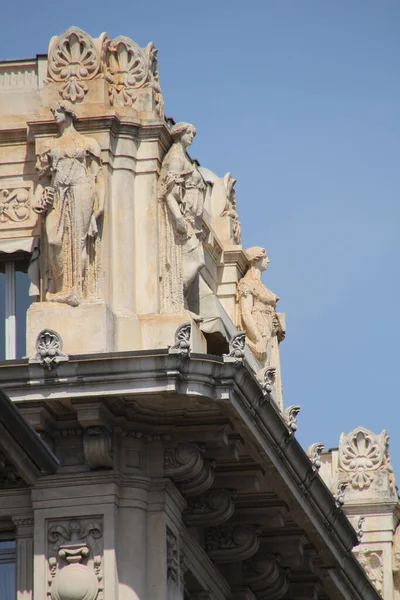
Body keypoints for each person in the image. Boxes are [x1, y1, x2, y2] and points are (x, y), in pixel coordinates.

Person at [34, 101, 105, 306]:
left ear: (69, 113)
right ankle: (62, 285)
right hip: (58, 192)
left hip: (81, 189)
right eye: (53, 111)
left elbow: (97, 177)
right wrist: (37, 202)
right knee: (54, 240)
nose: (55, 114)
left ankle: (76, 289)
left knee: (78, 240)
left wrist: (99, 206)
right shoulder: (50, 145)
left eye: (58, 111)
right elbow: (43, 179)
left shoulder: (87, 143)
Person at [158, 122, 206, 311]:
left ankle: (179, 300)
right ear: (179, 134)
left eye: (193, 133)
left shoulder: (182, 157)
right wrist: (178, 217)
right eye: (189, 133)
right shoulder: (176, 157)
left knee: (194, 259)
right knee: (196, 259)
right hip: (183, 219)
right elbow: (168, 191)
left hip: (190, 220)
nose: (192, 136)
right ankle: (175, 298)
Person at [238, 245, 285, 368]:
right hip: (260, 330)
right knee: (261, 371)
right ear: (256, 258)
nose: (268, 260)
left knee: (270, 371)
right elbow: (245, 313)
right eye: (265, 257)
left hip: (270, 333)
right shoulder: (246, 283)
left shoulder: (262, 286)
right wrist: (258, 338)